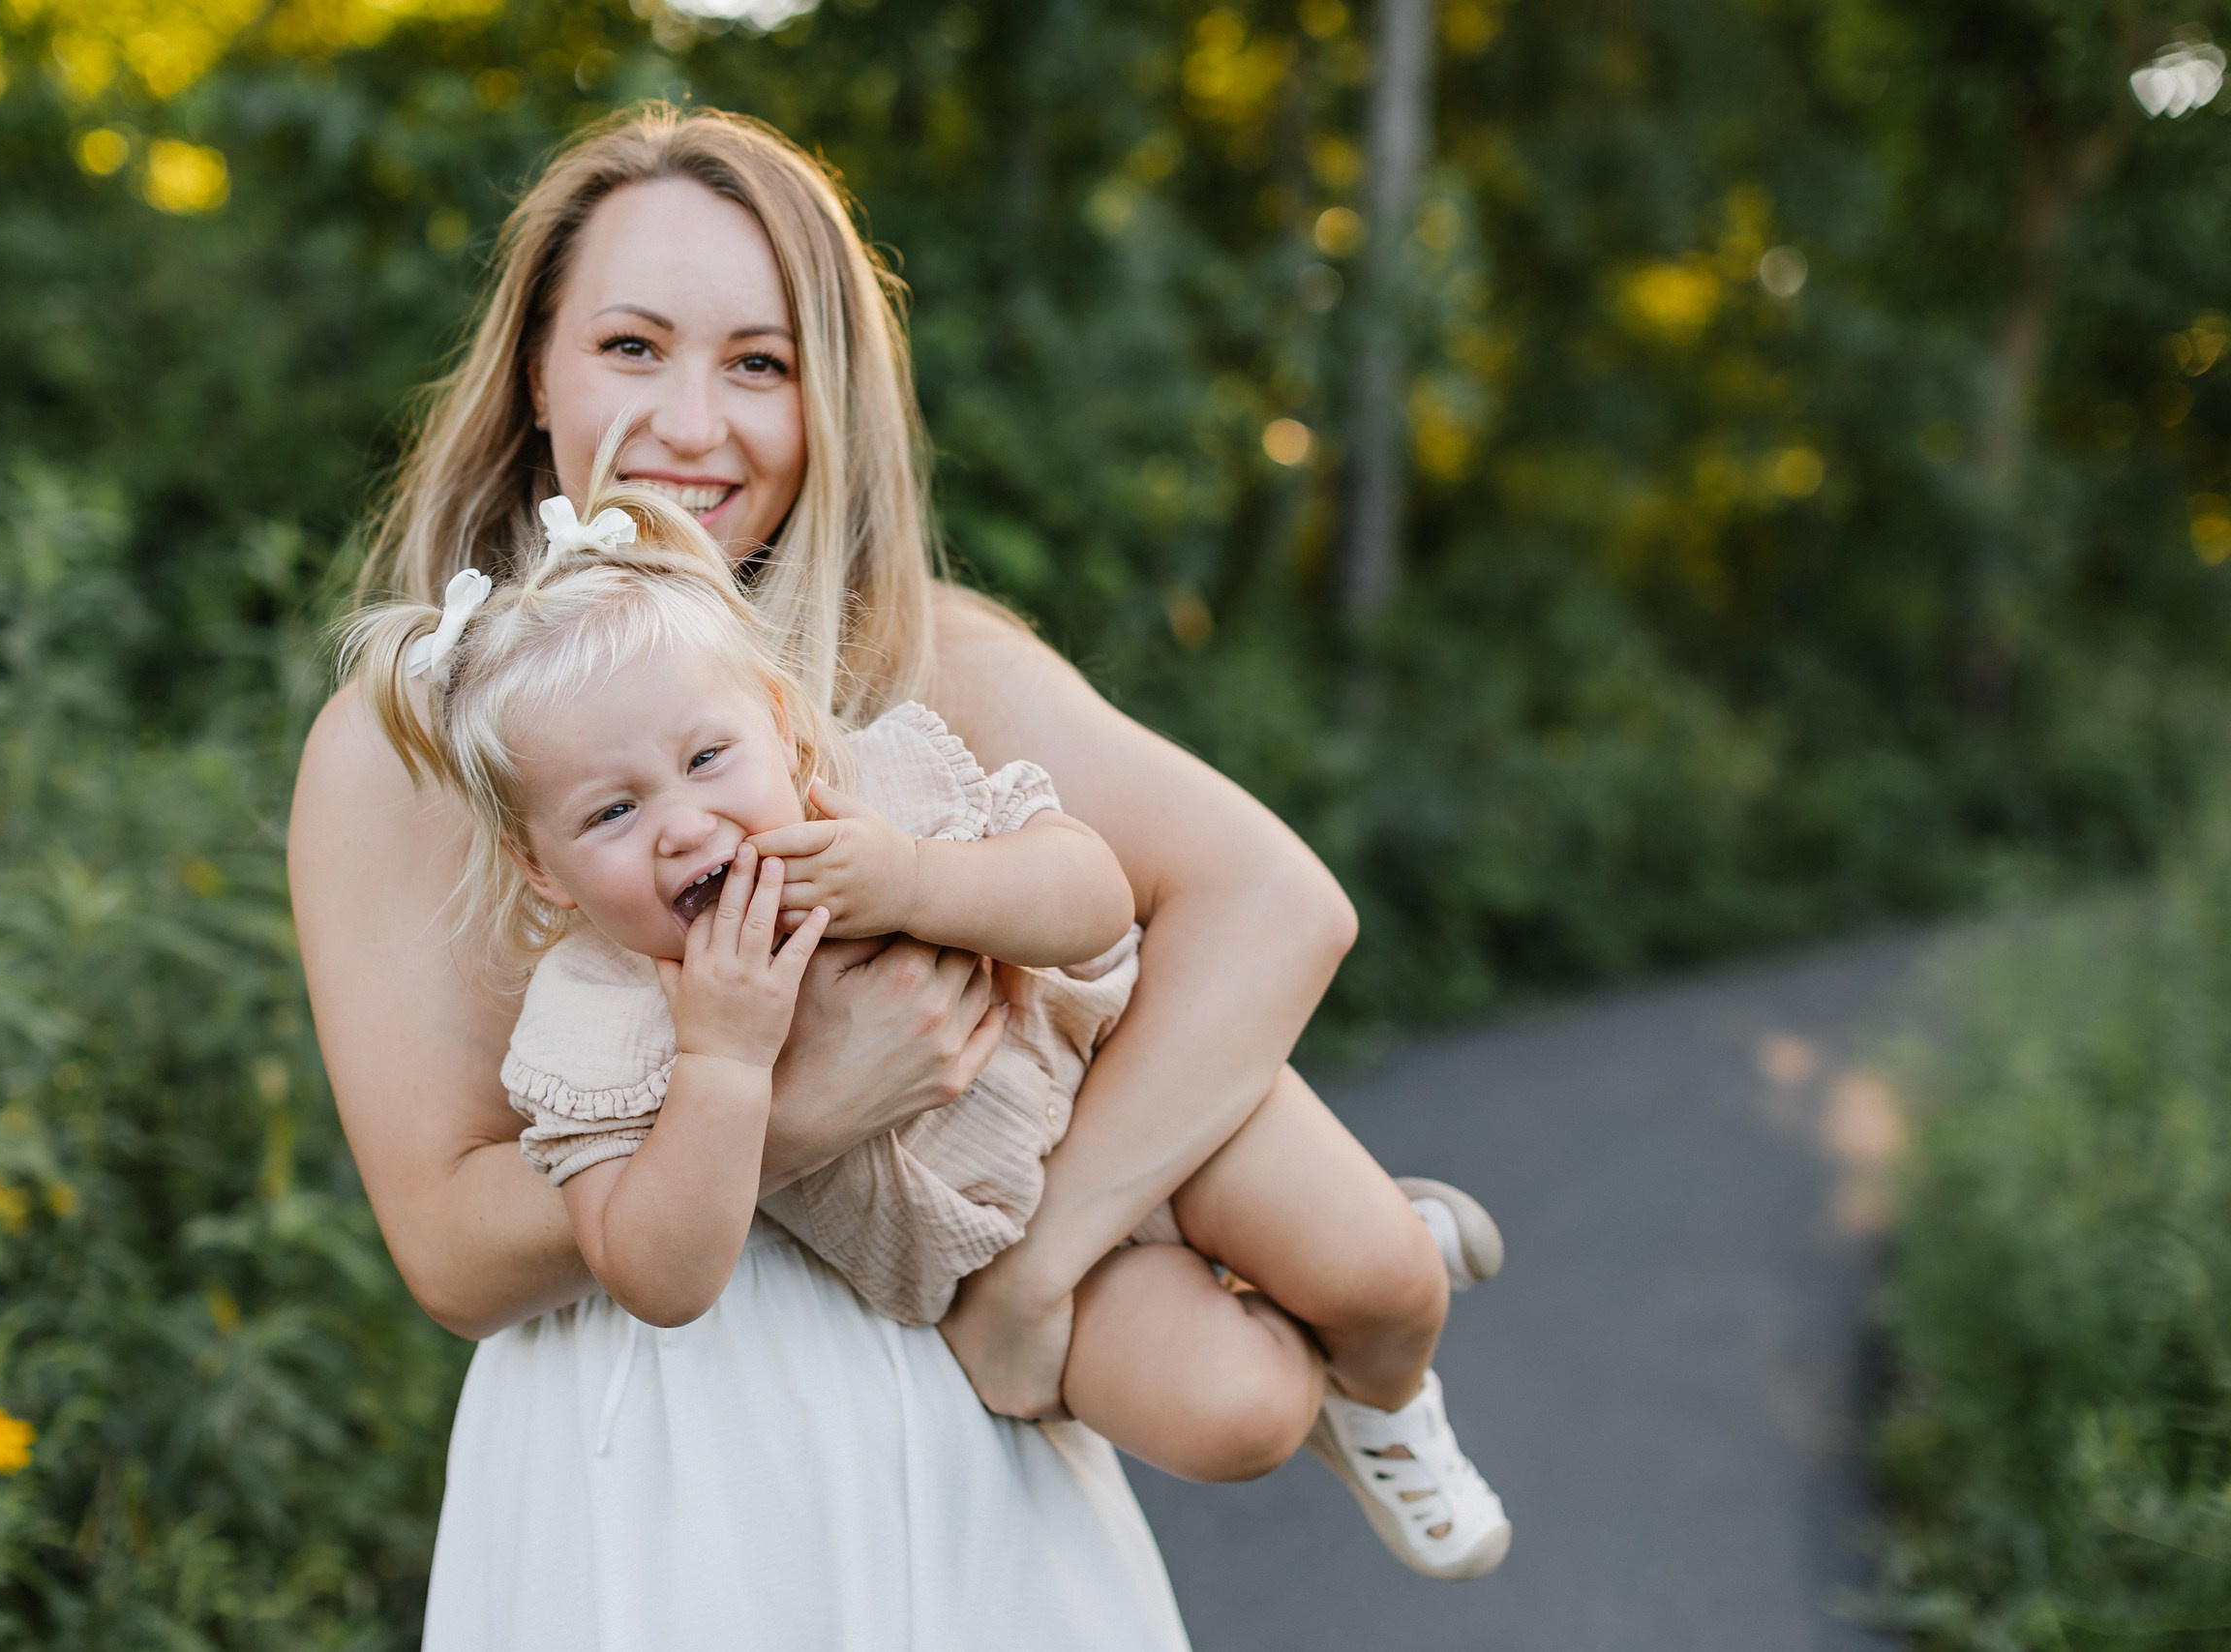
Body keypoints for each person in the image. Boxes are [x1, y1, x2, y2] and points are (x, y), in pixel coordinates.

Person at [287, 105, 1493, 1649]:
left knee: (1251, 1394)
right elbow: (450, 1250)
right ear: (537, 368)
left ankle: (1307, 1275)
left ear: (827, 398)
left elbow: (1269, 903)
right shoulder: (410, 748)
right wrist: (782, 1116)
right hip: (646, 1435)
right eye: (633, 346)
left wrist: (1045, 1264)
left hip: (954, 1392)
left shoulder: (914, 655)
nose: (692, 423)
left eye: (760, 364)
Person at [347, 454, 1511, 1580]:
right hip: (985, 1249)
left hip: (1120, 1085)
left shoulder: (882, 788)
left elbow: (1096, 897)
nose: (685, 824)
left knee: (1385, 1281)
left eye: (708, 757)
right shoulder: (594, 1022)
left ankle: (1387, 1398)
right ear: (541, 869)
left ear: (782, 730)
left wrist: (914, 880)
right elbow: (656, 1274)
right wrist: (724, 1062)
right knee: (1239, 1416)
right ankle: (1303, 1342)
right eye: (610, 812)